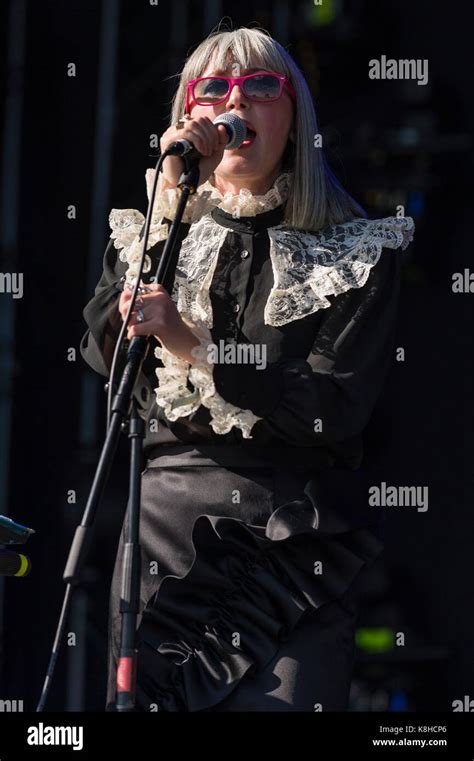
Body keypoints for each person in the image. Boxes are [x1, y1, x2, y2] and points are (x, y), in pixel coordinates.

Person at [80, 26, 414, 712]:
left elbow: (334, 401)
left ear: (294, 118)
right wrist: (168, 204)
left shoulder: (353, 252)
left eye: (260, 86)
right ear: (188, 115)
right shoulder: (151, 233)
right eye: (213, 88)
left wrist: (193, 342)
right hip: (163, 535)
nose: (235, 102)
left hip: (285, 536)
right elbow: (106, 363)